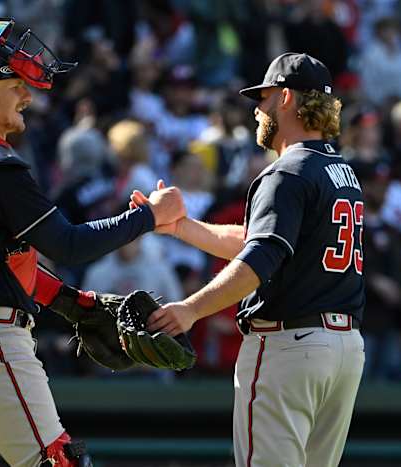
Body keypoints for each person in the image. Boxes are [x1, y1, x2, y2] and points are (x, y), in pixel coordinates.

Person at [0, 18, 184, 467]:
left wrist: (74, 303)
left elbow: (1, 263)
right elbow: (69, 246)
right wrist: (150, 216)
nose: (27, 95)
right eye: (16, 83)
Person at [133, 53, 365, 467]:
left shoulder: (286, 172)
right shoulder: (339, 170)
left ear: (287, 98)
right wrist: (183, 228)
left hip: (288, 346)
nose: (257, 109)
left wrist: (191, 309)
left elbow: (262, 255)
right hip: (342, 349)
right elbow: (259, 239)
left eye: (265, 97)